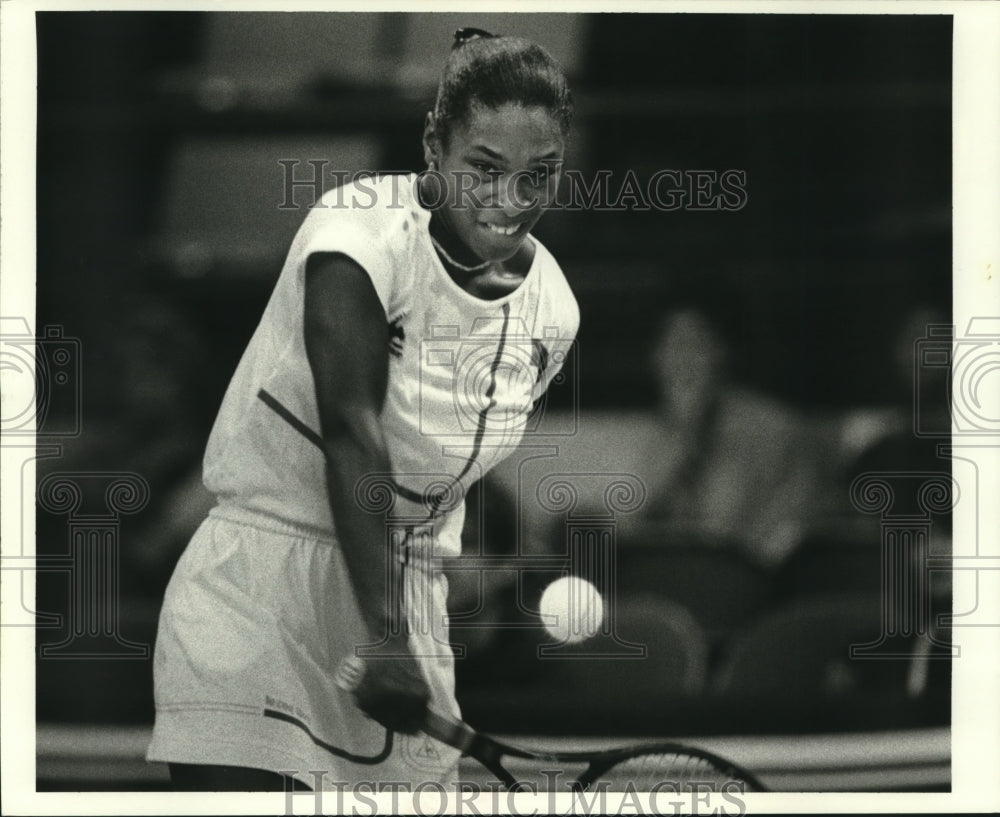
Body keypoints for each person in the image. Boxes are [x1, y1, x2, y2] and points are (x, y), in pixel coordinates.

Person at [146, 28, 578, 792]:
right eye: (483, 167)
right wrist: (384, 632)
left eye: (537, 173)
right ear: (433, 148)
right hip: (258, 597)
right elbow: (355, 433)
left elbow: (444, 475)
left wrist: (429, 602)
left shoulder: (555, 313)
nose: (510, 199)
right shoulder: (354, 234)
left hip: (410, 618)